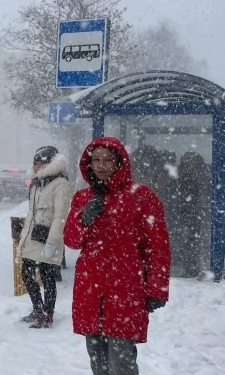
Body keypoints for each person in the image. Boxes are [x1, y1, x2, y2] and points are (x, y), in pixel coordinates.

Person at [64, 137, 171, 375]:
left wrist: (156, 288)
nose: (101, 166)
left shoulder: (141, 196)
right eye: (96, 160)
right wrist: (84, 218)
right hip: (90, 291)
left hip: (125, 291)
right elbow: (71, 241)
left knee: (122, 363)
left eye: (108, 160)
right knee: (98, 362)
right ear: (89, 163)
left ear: (119, 163)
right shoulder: (82, 198)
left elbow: (158, 247)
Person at [17, 146, 72, 329]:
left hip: (48, 237)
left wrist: (52, 242)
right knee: (27, 272)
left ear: (51, 163)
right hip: (33, 236)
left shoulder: (60, 184)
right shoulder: (36, 183)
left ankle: (48, 313)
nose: (38, 166)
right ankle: (37, 308)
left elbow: (60, 216)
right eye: (36, 163)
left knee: (48, 277)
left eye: (42, 163)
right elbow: (31, 213)